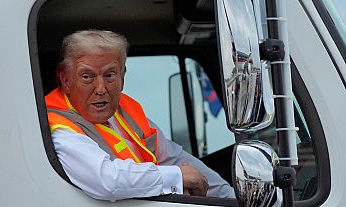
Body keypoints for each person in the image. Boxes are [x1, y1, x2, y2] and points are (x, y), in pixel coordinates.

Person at [45, 29, 235, 201]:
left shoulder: (126, 113)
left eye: (110, 75)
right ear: (66, 80)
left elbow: (175, 158)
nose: (101, 88)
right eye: (87, 76)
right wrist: (175, 176)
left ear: (123, 77)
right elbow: (107, 181)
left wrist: (230, 198)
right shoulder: (58, 127)